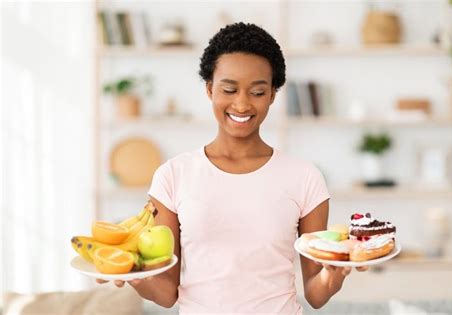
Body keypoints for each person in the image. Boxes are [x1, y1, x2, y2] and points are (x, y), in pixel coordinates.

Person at [98, 22, 367, 313]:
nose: (241, 104)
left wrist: (335, 272)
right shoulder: (173, 176)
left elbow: (315, 293)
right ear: (210, 89)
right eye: (229, 89)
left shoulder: (305, 177)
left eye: (258, 92)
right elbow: (166, 293)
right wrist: (132, 276)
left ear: (273, 95)